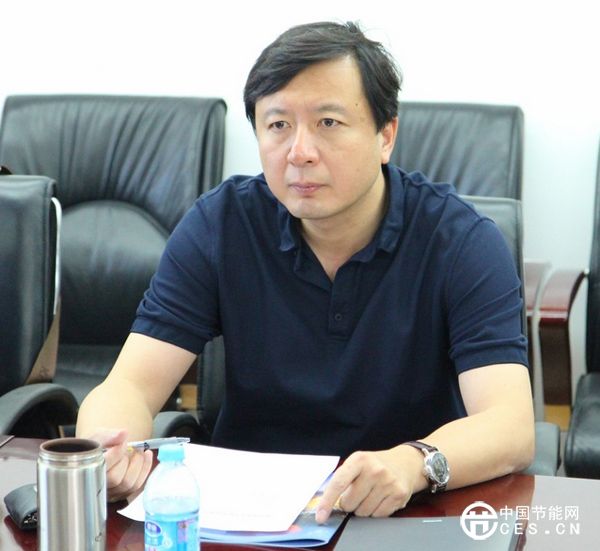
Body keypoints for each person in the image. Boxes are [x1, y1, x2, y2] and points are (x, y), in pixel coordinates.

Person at [76, 21, 534, 523]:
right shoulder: (220, 225)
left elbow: (509, 425)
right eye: (278, 125)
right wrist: (108, 447)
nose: (299, 152)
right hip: (246, 515)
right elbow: (130, 386)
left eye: (328, 123)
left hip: (408, 512)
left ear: (385, 136)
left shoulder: (461, 240)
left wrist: (414, 462)